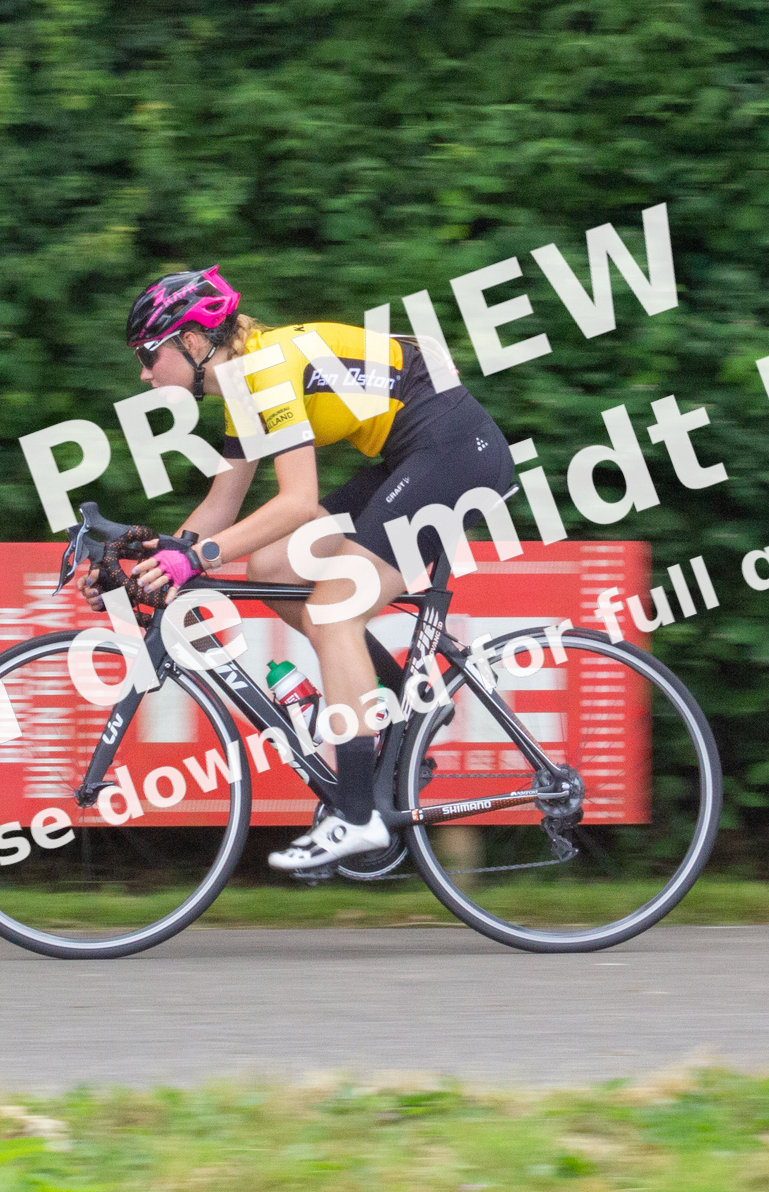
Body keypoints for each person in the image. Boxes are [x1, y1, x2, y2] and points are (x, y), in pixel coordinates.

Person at [114, 267, 517, 871]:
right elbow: (223, 505)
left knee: (333, 610)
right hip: (414, 451)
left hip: (454, 453)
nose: (144, 373)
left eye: (151, 354)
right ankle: (410, 702)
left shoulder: (264, 370)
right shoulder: (244, 380)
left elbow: (297, 502)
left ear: (194, 342)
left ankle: (358, 817)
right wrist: (155, 559)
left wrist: (196, 557)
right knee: (271, 564)